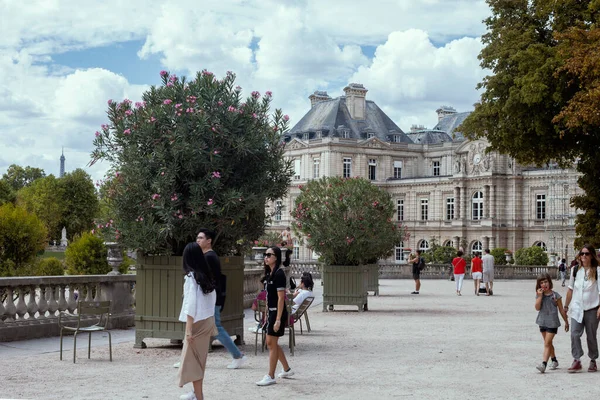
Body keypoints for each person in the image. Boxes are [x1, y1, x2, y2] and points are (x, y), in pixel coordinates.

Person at [196, 228, 247, 369]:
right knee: (201, 328)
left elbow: (210, 280)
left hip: (211, 299)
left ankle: (238, 355)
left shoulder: (209, 257)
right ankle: (190, 359)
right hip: (210, 298)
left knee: (214, 328)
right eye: (197, 238)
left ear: (209, 240)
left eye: (201, 238)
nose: (198, 240)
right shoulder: (207, 256)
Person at [178, 242, 217, 400]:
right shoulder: (206, 276)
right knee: (198, 362)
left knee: (192, 363)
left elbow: (190, 306)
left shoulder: (191, 277)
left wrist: (188, 331)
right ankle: (197, 394)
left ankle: (199, 396)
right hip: (208, 320)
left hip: (196, 323)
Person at [256, 246, 294, 386]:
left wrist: (277, 319)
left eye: (269, 255)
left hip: (277, 312)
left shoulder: (279, 274)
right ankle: (286, 369)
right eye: (265, 254)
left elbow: (280, 298)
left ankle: (271, 375)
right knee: (272, 343)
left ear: (276, 257)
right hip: (272, 312)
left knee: (271, 344)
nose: (266, 257)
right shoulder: (270, 273)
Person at [563, 244, 600, 373]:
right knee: (574, 334)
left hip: (592, 308)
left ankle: (593, 360)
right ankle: (577, 359)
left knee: (591, 336)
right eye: (582, 253)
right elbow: (570, 289)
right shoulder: (575, 270)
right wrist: (566, 306)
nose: (584, 256)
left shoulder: (597, 270)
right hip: (577, 307)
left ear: (591, 255)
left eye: (587, 253)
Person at [534, 273, 569, 373]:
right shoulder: (539, 294)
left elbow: (562, 310)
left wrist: (566, 322)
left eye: (545, 282)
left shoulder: (556, 295)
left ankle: (543, 364)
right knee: (548, 343)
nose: (544, 284)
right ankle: (554, 360)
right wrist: (540, 296)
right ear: (539, 285)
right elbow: (537, 308)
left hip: (553, 323)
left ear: (549, 282)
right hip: (542, 321)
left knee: (547, 343)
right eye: (541, 283)